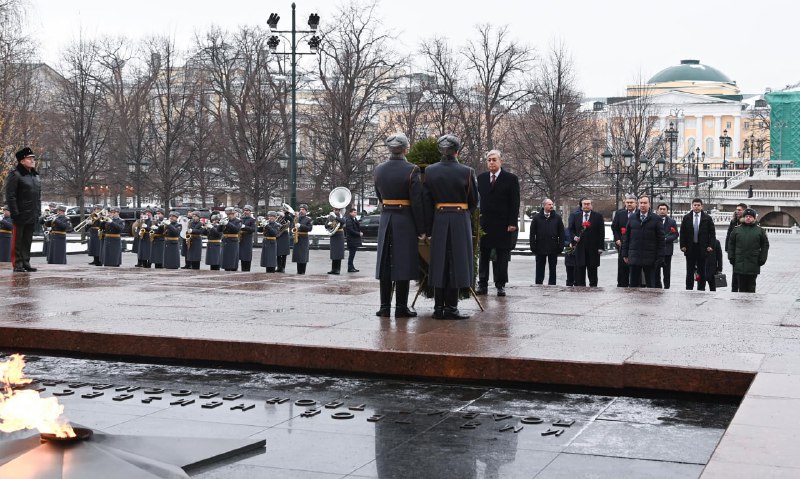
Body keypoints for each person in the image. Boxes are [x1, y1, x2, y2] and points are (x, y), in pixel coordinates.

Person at [422, 134, 478, 319]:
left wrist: (428, 228)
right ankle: (451, 308)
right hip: (460, 219)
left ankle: (438, 308)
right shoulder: (467, 172)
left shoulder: (430, 171)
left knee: (438, 263)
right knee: (457, 262)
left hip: (439, 218)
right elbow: (473, 201)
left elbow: (426, 202)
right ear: (457, 151)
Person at [373, 133, 425, 317]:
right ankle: (401, 307)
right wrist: (421, 229)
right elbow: (417, 203)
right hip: (405, 220)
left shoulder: (379, 169)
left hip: (386, 218)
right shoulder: (412, 170)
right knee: (403, 263)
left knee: (385, 263)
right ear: (405, 149)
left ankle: (384, 306)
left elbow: (379, 195)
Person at [476, 150, 520, 296]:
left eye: (494, 159)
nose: (491, 162)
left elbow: (515, 202)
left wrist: (512, 222)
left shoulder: (511, 179)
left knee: (502, 256)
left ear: (500, 161)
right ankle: (482, 284)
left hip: (503, 224)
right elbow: (476, 201)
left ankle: (500, 284)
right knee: (484, 254)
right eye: (489, 160)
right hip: (485, 224)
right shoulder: (481, 178)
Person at [5, 147, 42, 272]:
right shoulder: (15, 174)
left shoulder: (35, 176)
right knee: (18, 240)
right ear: (22, 160)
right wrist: (15, 213)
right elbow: (10, 195)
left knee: (27, 240)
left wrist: (38, 212)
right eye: (29, 158)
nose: (33, 160)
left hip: (32, 213)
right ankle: (17, 264)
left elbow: (38, 197)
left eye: (33, 158)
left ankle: (26, 262)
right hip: (20, 214)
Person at [621, 195, 664, 288]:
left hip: (650, 257)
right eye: (641, 203)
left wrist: (660, 256)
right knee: (633, 285)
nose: (643, 205)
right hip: (634, 256)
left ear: (649, 204)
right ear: (638, 204)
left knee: (651, 285)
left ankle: (650, 302)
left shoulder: (656, 219)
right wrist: (624, 254)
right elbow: (627, 237)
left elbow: (661, 239)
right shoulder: (632, 218)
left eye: (645, 203)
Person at [727, 208, 769, 293]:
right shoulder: (736, 229)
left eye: (750, 216)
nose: (748, 218)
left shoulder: (760, 231)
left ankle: (751, 303)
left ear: (754, 218)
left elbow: (765, 245)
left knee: (751, 286)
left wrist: (762, 259)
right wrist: (731, 257)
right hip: (739, 262)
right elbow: (731, 244)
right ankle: (741, 304)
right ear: (743, 217)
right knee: (741, 287)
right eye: (746, 216)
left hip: (753, 262)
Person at [679, 198, 717, 291]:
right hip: (690, 248)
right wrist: (682, 245)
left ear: (702, 206)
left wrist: (711, 246)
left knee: (701, 270)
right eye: (695, 205)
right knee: (689, 270)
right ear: (692, 206)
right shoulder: (687, 217)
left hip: (702, 248)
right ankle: (689, 288)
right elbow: (682, 233)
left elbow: (712, 234)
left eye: (698, 205)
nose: (696, 207)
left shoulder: (707, 218)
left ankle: (701, 288)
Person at [567, 198, 604, 287]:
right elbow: (570, 229)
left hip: (593, 249)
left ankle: (593, 289)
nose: (586, 206)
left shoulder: (598, 216)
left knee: (593, 272)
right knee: (579, 271)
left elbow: (601, 232)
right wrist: (574, 237)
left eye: (588, 204)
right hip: (580, 248)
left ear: (591, 205)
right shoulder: (575, 216)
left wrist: (600, 247)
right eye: (584, 204)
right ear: (581, 205)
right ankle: (580, 289)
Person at [529, 198, 564, 286]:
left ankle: (552, 284)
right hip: (540, 246)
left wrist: (561, 246)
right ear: (544, 205)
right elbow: (532, 233)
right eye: (549, 204)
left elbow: (562, 233)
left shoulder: (557, 218)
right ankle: (539, 283)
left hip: (553, 246)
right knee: (540, 267)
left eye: (552, 204)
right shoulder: (537, 218)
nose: (551, 206)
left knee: (553, 268)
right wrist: (533, 246)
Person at [611, 194, 637, 287]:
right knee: (622, 266)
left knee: (635, 267)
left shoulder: (639, 214)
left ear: (636, 203)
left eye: (631, 202)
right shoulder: (620, 213)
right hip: (622, 244)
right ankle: (622, 284)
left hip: (636, 245)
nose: (629, 204)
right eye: (627, 202)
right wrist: (617, 239)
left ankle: (635, 285)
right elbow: (615, 228)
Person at [654, 203, 679, 289]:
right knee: (655, 271)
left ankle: (667, 287)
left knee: (667, 271)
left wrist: (666, 239)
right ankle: (657, 287)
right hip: (655, 251)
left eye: (664, 209)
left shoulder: (672, 222)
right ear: (657, 210)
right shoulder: (653, 220)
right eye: (660, 209)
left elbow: (675, 234)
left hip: (667, 251)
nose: (662, 211)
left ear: (667, 211)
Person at [725, 203, 747, 292]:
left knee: (743, 273)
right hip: (735, 252)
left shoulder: (747, 221)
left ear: (744, 211)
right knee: (735, 272)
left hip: (744, 252)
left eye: (739, 210)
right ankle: (734, 290)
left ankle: (743, 290)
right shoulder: (733, 221)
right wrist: (727, 248)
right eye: (736, 210)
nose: (737, 211)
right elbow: (728, 235)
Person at [291, 205, 313, 274]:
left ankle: (302, 271)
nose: (301, 210)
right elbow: (293, 226)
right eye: (300, 209)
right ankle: (298, 271)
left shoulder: (308, 219)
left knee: (303, 256)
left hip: (304, 239)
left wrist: (300, 225)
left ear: (306, 211)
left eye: (303, 209)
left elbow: (309, 228)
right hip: (297, 237)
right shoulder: (297, 218)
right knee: (298, 256)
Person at [220, 207, 241, 271]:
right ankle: (226, 269)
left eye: (230, 214)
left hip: (233, 241)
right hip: (226, 240)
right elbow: (219, 230)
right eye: (228, 214)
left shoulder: (238, 221)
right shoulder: (226, 220)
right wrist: (220, 224)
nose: (228, 216)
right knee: (226, 258)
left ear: (234, 214)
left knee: (232, 258)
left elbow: (236, 230)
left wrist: (227, 224)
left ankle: (233, 270)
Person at [327, 209, 346, 275]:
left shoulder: (341, 216)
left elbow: (343, 221)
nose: (336, 211)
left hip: (339, 235)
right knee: (334, 253)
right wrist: (328, 224)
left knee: (338, 253)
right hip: (333, 235)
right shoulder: (330, 216)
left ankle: (337, 269)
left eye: (337, 210)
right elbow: (326, 225)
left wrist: (335, 216)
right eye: (335, 210)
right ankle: (333, 269)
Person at [238, 205, 256, 272]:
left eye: (247, 210)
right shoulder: (241, 219)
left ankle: (247, 270)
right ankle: (243, 270)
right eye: (245, 210)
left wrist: (244, 226)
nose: (246, 212)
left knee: (247, 255)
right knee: (242, 256)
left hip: (248, 239)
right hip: (241, 239)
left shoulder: (252, 220)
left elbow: (253, 229)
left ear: (250, 211)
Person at [345, 208, 363, 272]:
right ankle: (350, 268)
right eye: (354, 212)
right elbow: (351, 230)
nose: (355, 213)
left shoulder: (354, 219)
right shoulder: (349, 220)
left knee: (352, 254)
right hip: (351, 240)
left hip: (354, 240)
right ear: (350, 213)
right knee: (351, 255)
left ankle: (351, 267)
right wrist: (359, 233)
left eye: (356, 212)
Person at [276, 208, 293, 273]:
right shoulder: (279, 217)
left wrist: (285, 215)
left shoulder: (287, 217)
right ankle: (278, 267)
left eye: (282, 210)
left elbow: (291, 221)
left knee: (283, 253)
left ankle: (283, 267)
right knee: (278, 252)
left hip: (284, 236)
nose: (281, 211)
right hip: (278, 235)